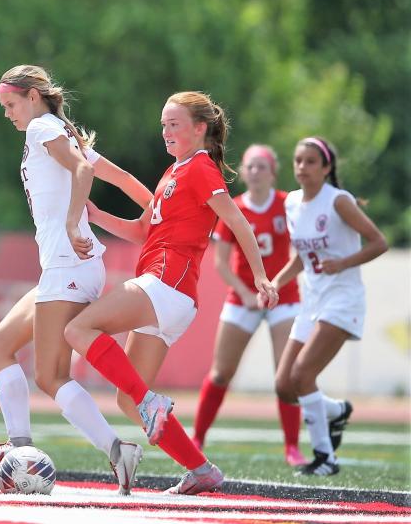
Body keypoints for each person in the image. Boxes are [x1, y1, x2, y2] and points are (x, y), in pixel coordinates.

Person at [63, 91, 280, 496]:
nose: (165, 131)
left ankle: (153, 402)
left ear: (200, 129)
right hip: (170, 296)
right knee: (129, 401)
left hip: (166, 284)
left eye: (174, 124)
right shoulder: (173, 171)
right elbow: (143, 231)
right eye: (163, 124)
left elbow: (237, 221)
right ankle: (201, 469)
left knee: (77, 330)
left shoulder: (200, 169)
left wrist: (261, 277)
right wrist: (95, 215)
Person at [0, 65, 154, 495]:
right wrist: (155, 210)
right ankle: (18, 449)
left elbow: (82, 172)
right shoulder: (57, 129)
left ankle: (117, 450)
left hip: (69, 265)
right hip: (65, 267)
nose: (7, 114)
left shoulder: (41, 129)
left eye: (10, 104)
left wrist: (74, 224)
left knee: (51, 377)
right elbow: (123, 178)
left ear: (33, 96)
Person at [272, 137, 388, 476]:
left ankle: (326, 458)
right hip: (313, 301)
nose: (302, 167)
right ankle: (336, 411)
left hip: (342, 299)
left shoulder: (338, 201)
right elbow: (300, 257)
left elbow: (379, 242)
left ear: (326, 168)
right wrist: (275, 282)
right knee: (284, 387)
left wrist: (344, 262)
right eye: (298, 161)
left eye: (310, 161)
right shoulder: (292, 202)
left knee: (303, 375)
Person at [191, 144, 306, 466]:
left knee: (286, 376)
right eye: (250, 166)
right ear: (242, 172)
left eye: (261, 166)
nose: (255, 172)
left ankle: (292, 447)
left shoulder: (287, 205)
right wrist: (244, 292)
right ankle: (197, 438)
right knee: (221, 373)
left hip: (284, 296)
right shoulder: (234, 207)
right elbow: (223, 264)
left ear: (273, 172)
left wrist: (273, 287)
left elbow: (300, 254)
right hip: (243, 296)